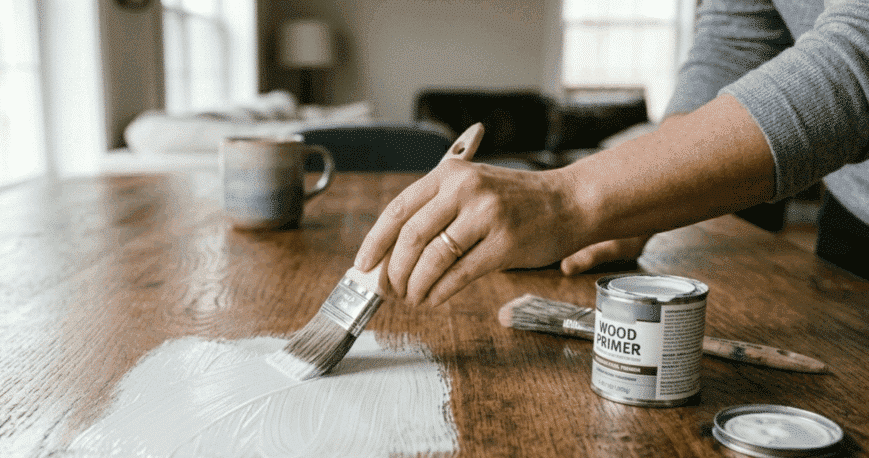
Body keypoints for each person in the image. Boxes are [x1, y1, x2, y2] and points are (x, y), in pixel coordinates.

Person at [354, 0, 869, 307]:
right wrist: (643, 199)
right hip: (853, 218)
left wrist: (566, 200)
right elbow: (733, 46)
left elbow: (859, 54)